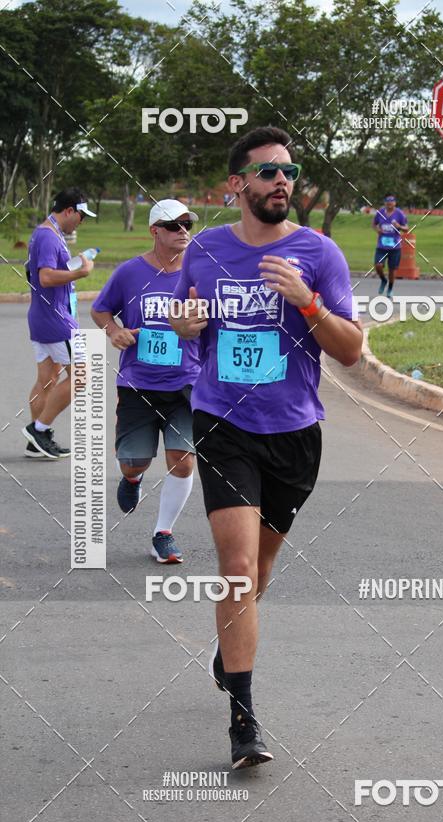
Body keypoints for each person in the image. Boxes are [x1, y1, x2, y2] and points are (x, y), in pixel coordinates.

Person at [169, 126, 362, 769]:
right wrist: (185, 327)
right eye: (269, 173)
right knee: (239, 569)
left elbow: (352, 351)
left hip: (295, 432)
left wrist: (306, 302)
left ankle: (230, 653)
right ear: (237, 185)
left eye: (290, 172)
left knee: (262, 571)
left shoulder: (319, 253)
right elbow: (184, 331)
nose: (284, 182)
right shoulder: (204, 252)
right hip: (223, 422)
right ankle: (244, 723)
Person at [91, 200, 201, 563]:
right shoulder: (129, 272)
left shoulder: (201, 273)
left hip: (187, 382)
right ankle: (133, 479)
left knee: (182, 461)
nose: (182, 230)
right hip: (138, 382)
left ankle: (163, 533)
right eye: (173, 225)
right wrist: (113, 330)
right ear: (154, 230)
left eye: (187, 224)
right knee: (134, 460)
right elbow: (100, 308)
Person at [21, 188, 96, 459]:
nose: (81, 221)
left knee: (46, 380)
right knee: (81, 375)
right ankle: (39, 429)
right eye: (81, 215)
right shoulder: (48, 236)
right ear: (69, 211)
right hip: (56, 320)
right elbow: (46, 278)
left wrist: (71, 267)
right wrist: (80, 272)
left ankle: (35, 443)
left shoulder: (48, 234)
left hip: (42, 317)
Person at [372, 195, 408, 298]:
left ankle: (390, 289)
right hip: (381, 247)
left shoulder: (399, 214)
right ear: (385, 203)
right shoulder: (380, 213)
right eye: (387, 202)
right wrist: (377, 229)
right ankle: (383, 280)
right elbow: (374, 224)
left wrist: (399, 226)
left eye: (391, 202)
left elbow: (406, 228)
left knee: (392, 270)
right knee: (378, 265)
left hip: (395, 247)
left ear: (395, 203)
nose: (389, 204)